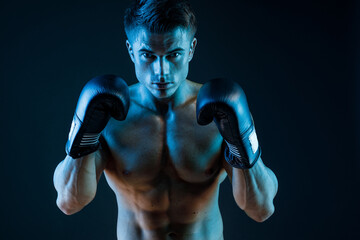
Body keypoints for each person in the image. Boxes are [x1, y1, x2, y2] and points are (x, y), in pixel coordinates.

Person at [53, 0, 278, 239]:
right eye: (148, 55)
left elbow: (261, 209)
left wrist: (241, 143)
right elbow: (69, 202)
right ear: (131, 51)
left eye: (174, 55)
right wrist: (84, 135)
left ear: (191, 49)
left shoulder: (221, 113)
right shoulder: (109, 114)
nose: (162, 71)